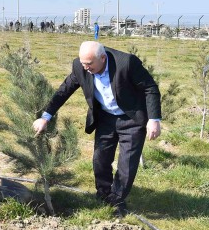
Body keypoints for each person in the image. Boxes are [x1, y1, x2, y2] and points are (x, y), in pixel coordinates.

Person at [32, 41, 161, 216]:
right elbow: (64, 90)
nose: (85, 67)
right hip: (105, 118)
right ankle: (103, 194)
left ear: (102, 58)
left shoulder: (126, 63)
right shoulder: (80, 66)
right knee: (100, 159)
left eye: (89, 64)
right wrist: (45, 117)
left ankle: (117, 200)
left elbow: (150, 88)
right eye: (83, 63)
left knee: (127, 163)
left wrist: (153, 119)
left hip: (131, 117)